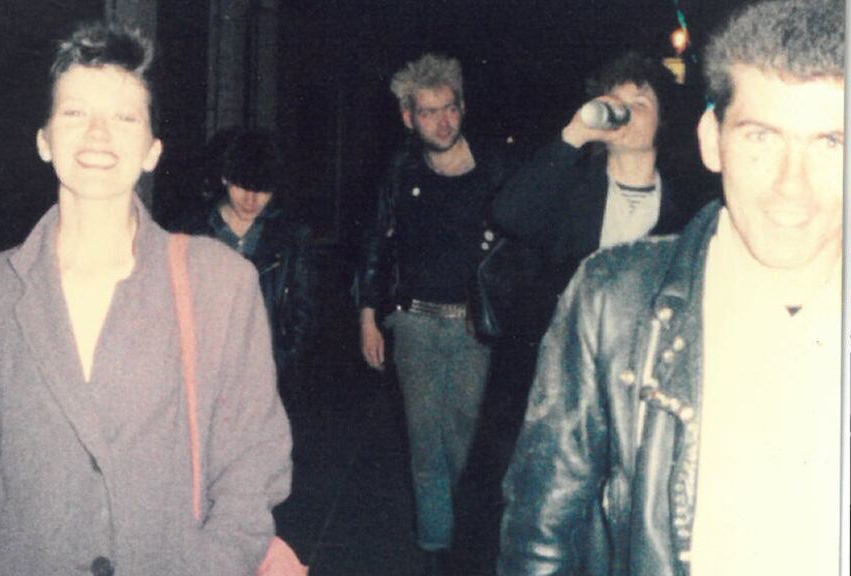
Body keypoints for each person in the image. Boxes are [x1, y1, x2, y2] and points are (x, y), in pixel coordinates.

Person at [0, 22, 292, 575]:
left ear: (152, 150)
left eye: (123, 118)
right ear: (44, 138)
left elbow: (252, 468)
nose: (97, 135)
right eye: (75, 113)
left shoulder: (221, 284)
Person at [498, 1, 844, 574]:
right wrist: (575, 133)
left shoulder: (682, 204)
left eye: (831, 142)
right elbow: (543, 528)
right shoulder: (609, 276)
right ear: (715, 139)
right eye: (761, 136)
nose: (792, 185)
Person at [354, 52, 519, 568]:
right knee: (427, 448)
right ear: (409, 117)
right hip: (415, 323)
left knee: (466, 443)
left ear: (462, 106)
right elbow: (376, 245)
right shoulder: (401, 171)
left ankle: (466, 541)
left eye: (449, 108)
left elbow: (521, 242)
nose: (441, 121)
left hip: (474, 327)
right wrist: (368, 315)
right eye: (427, 111)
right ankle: (436, 551)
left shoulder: (494, 168)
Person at [492, 51, 705, 323]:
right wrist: (573, 136)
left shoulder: (686, 209)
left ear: (660, 119)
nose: (625, 113)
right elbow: (508, 215)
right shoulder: (574, 192)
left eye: (639, 103)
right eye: (617, 104)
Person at [172, 128, 315, 401]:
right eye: (242, 187)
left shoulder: (292, 237)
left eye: (262, 190)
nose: (251, 200)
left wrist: (278, 364)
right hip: (201, 373)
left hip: (265, 375)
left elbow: (303, 311)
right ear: (225, 178)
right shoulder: (190, 231)